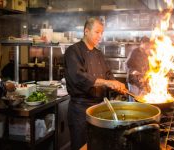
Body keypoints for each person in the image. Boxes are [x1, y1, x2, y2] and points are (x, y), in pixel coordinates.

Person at [64, 18, 127, 150]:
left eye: (102, 32)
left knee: (96, 145)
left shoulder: (98, 54)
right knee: (81, 146)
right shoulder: (73, 51)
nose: (100, 36)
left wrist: (116, 84)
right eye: (97, 32)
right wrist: (107, 82)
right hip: (80, 110)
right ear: (86, 31)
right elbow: (79, 77)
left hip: (99, 108)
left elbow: (108, 74)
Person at [126, 36, 152, 101]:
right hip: (133, 81)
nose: (147, 46)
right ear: (142, 43)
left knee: (142, 100)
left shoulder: (146, 54)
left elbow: (148, 66)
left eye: (148, 45)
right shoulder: (134, 52)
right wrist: (134, 71)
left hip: (142, 81)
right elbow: (128, 64)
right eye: (146, 45)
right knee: (133, 102)